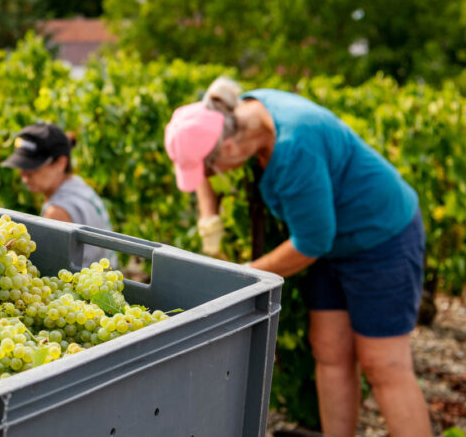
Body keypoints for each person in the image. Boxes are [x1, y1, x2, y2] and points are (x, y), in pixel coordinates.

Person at [164, 77, 429, 437]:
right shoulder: (228, 114)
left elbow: (310, 244)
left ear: (228, 148)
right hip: (334, 240)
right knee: (329, 351)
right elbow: (204, 169)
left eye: (210, 168)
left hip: (381, 236)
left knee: (384, 365)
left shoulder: (295, 147)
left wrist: (242, 279)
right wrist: (209, 220)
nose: (210, 177)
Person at [2, 123, 117, 268]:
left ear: (61, 163)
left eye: (31, 167)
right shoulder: (78, 185)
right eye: (21, 166)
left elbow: (48, 270)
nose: (24, 175)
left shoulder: (57, 212)